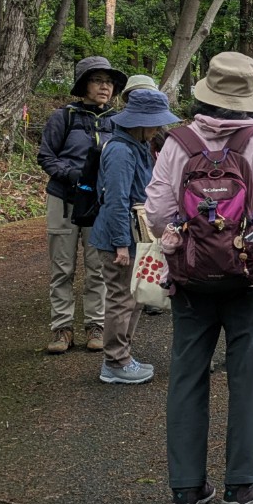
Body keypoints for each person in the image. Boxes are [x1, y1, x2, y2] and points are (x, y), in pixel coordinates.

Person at [145, 52, 253, 504]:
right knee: (245, 376)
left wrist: (189, 236)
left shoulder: (177, 142)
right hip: (251, 275)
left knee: (186, 374)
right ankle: (241, 485)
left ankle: (186, 489)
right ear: (249, 98)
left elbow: (156, 213)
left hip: (191, 276)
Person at [89, 88, 180, 385]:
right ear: (139, 122)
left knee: (135, 296)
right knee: (121, 298)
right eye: (154, 122)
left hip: (134, 233)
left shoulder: (136, 146)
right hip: (121, 236)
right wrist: (120, 244)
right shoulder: (120, 151)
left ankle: (122, 355)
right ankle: (115, 361)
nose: (157, 128)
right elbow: (115, 200)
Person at [37, 56, 125, 354]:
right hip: (64, 199)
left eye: (109, 82)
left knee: (98, 266)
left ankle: (95, 325)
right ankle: (61, 328)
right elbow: (46, 156)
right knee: (62, 268)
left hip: (98, 204)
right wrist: (73, 175)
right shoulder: (64, 117)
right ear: (83, 85)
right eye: (98, 80)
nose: (105, 87)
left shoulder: (117, 121)